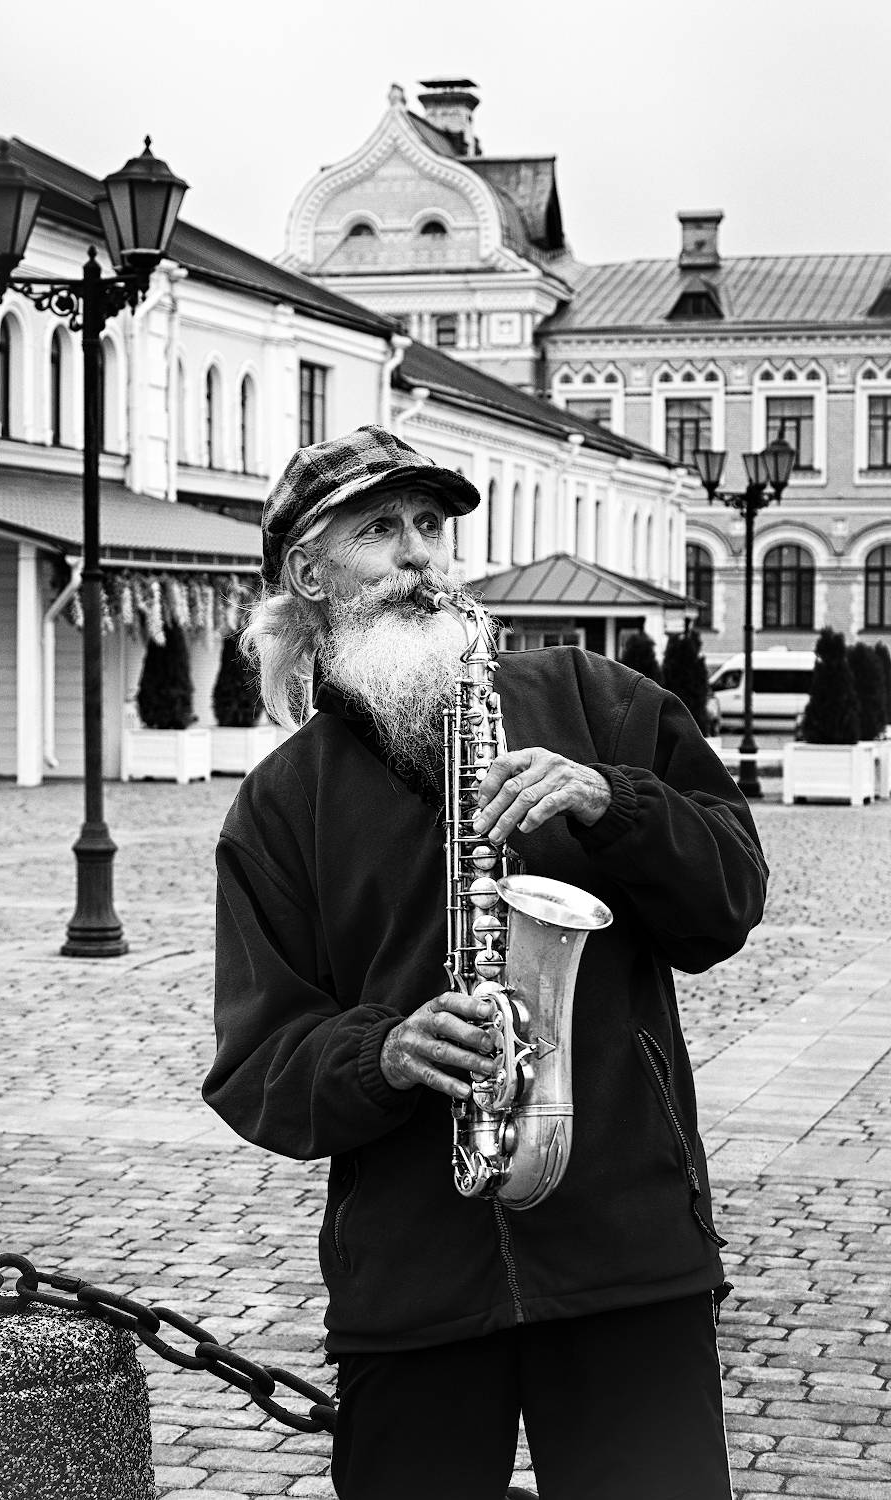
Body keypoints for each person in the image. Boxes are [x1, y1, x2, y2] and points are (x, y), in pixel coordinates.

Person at [203, 424, 768, 1500]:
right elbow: (256, 1066)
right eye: (380, 529)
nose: (420, 553)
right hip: (414, 1290)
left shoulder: (596, 700)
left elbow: (728, 902)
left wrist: (614, 802)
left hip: (626, 1258)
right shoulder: (278, 805)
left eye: (430, 524)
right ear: (308, 575)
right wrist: (384, 1054)